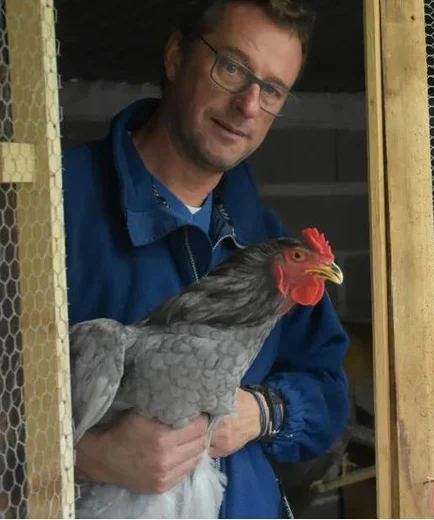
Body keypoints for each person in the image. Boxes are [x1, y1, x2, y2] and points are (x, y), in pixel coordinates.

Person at [61, 0, 350, 517]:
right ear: (176, 57)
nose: (248, 105)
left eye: (273, 89)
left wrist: (260, 412)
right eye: (233, 68)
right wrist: (88, 457)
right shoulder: (53, 208)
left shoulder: (269, 243)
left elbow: (327, 388)